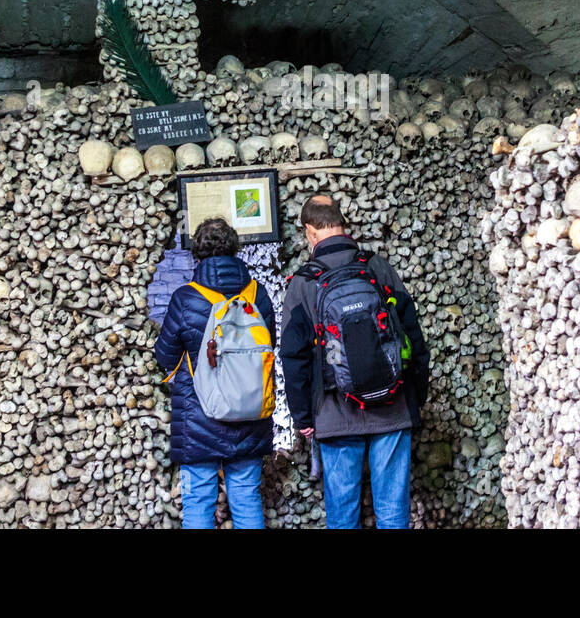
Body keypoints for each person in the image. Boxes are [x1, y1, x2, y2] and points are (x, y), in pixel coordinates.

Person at [279, 194, 429, 529]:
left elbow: (294, 357)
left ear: (310, 231)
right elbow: (412, 337)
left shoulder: (303, 282)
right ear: (342, 224)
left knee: (342, 516)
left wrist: (304, 416)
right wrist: (416, 395)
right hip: (392, 408)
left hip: (334, 414)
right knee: (393, 514)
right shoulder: (377, 267)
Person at [155, 217, 275, 529]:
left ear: (197, 253)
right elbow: (268, 346)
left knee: (198, 502)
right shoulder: (257, 295)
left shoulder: (186, 298)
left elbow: (165, 355)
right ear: (235, 250)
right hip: (251, 415)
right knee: (247, 498)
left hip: (199, 418)